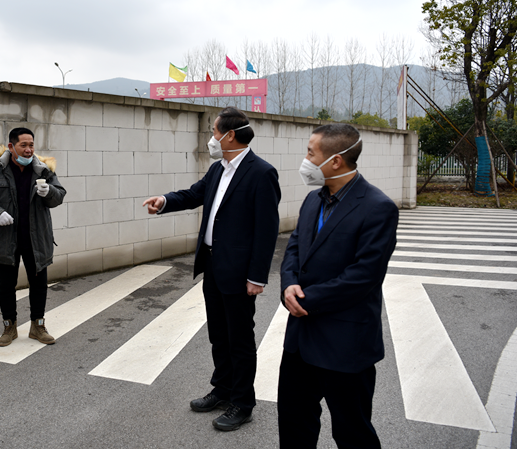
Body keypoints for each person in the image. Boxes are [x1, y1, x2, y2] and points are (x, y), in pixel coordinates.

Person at [142, 106, 281, 432]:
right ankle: (222, 389)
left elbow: (266, 230)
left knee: (240, 339)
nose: (211, 138)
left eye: (214, 132)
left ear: (230, 135)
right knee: (219, 334)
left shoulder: (261, 173)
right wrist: (164, 201)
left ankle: (242, 403)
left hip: (239, 272)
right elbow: (194, 194)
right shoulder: (219, 169)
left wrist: (257, 277)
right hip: (213, 266)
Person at [278, 123, 399, 449]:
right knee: (293, 422)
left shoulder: (378, 207)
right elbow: (294, 249)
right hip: (300, 341)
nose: (305, 160)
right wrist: (288, 285)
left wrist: (306, 299)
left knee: (352, 432)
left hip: (345, 344)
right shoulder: (312, 200)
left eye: (310, 153)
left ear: (335, 161)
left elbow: (364, 275)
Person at [0, 127, 66, 347]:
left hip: (36, 239)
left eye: (31, 145)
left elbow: (59, 195)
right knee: (6, 285)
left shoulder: (43, 170)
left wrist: (49, 192)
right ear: (11, 147)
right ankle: (9, 327)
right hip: (6, 239)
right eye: (23, 145)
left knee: (39, 284)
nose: (28, 149)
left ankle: (38, 326)